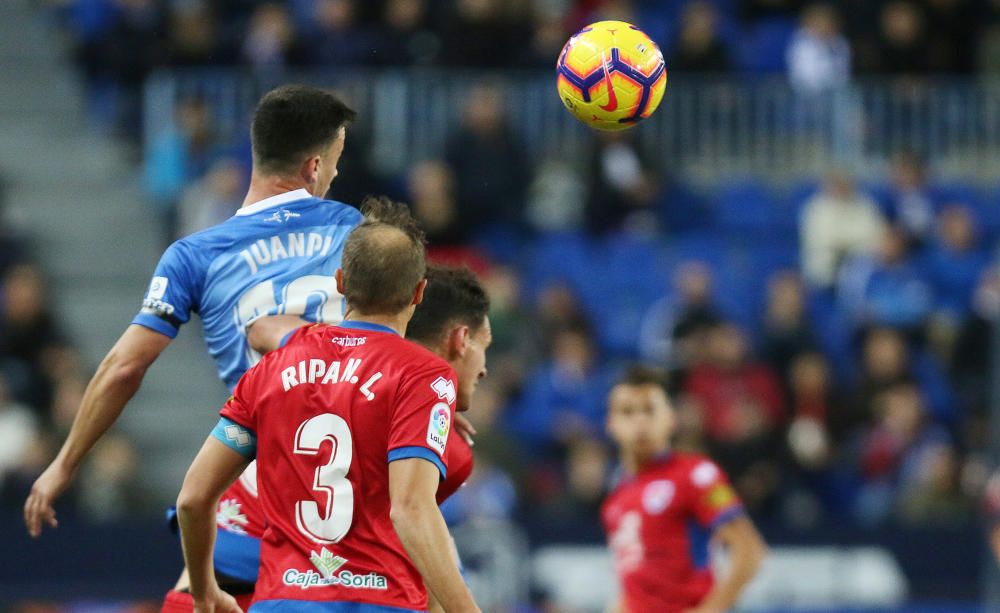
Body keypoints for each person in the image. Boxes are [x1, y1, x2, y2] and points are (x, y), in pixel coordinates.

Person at [24, 85, 361, 611]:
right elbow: (402, 329)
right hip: (353, 474)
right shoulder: (357, 233)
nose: (336, 176)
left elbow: (124, 367)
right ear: (315, 167)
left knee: (194, 594)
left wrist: (66, 461)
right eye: (337, 162)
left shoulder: (195, 255)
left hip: (261, 472)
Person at [176, 199, 480, 612]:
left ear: (340, 282)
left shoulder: (275, 368)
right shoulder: (423, 377)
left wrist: (203, 589)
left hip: (282, 601)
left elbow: (193, 498)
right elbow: (410, 511)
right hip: (380, 602)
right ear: (419, 292)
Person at [602, 366, 766, 613]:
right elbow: (637, 586)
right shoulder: (616, 498)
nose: (640, 420)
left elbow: (749, 551)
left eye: (649, 410)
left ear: (670, 418)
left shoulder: (695, 475)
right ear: (611, 424)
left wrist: (711, 609)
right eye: (627, 412)